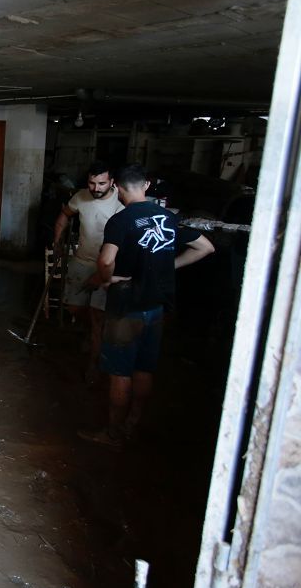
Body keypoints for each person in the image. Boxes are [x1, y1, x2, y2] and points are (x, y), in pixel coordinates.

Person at [80, 164, 214, 446]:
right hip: (157, 308)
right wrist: (168, 267)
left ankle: (114, 432)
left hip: (127, 307)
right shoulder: (168, 217)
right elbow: (206, 247)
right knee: (144, 368)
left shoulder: (121, 220)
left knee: (120, 371)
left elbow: (105, 261)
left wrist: (106, 279)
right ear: (147, 186)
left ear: (115, 186)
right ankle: (134, 422)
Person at [52, 161, 123, 379]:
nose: (96, 188)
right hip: (81, 261)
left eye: (102, 183)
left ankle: (93, 364)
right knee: (74, 307)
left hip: (107, 264)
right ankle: (86, 332)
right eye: (92, 183)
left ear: (112, 182)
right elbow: (65, 215)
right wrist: (57, 241)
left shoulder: (121, 203)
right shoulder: (80, 196)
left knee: (97, 318)